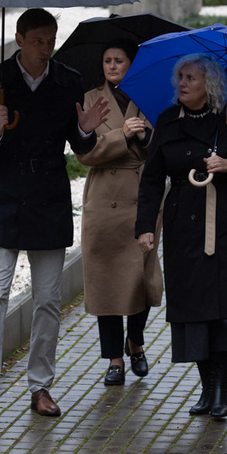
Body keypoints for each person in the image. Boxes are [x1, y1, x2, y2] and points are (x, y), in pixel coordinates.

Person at [0, 8, 109, 422]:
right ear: (20, 40)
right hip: (3, 199)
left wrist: (85, 129)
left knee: (48, 299)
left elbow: (80, 146)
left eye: (51, 40)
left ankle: (40, 386)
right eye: (39, 41)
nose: (46, 49)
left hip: (48, 199)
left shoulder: (68, 81)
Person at [135, 54, 227, 419]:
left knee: (222, 307)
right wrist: (145, 226)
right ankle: (207, 388)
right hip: (183, 227)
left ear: (208, 85)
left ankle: (221, 390)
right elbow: (152, 179)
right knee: (193, 308)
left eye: (190, 78)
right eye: (180, 77)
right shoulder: (167, 120)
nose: (182, 83)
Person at [75, 41, 163, 386]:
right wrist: (121, 136)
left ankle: (135, 341)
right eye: (107, 60)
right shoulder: (89, 99)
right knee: (106, 280)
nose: (112, 66)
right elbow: (85, 154)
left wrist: (145, 137)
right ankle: (114, 358)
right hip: (104, 199)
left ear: (131, 64)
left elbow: (163, 147)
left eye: (119, 60)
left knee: (142, 277)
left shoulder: (151, 95)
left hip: (142, 196)